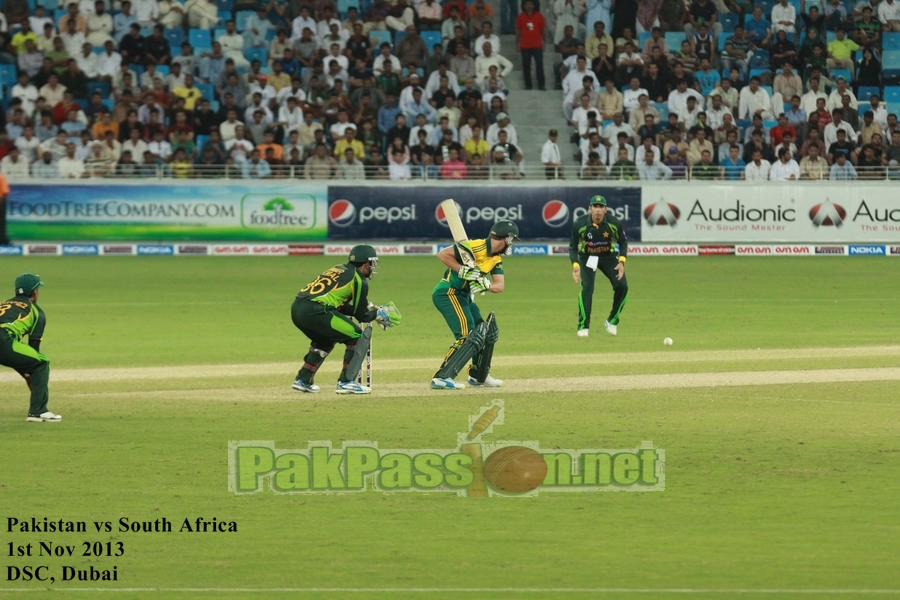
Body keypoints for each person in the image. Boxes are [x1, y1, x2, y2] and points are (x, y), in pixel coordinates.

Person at [291, 245, 399, 395]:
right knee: (357, 336)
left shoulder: (339, 268)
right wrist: (377, 315)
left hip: (298, 308)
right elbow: (360, 315)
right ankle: (346, 382)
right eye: (372, 263)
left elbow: (340, 306)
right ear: (366, 263)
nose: (373, 267)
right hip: (316, 310)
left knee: (325, 339)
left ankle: (303, 379)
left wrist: (372, 311)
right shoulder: (359, 280)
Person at [430, 220, 519, 390]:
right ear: (506, 238)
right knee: (468, 336)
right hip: (448, 292)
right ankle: (442, 376)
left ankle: (478, 375)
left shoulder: (496, 258)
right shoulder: (475, 247)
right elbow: (443, 254)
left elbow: (499, 286)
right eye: (511, 240)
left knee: (484, 333)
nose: (511, 245)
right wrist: (460, 269)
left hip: (465, 296)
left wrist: (486, 285)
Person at [0, 274, 59, 422]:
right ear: (35, 292)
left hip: (5, 341)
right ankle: (38, 411)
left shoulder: (3, 304)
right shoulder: (36, 312)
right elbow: (33, 350)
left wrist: (25, 369)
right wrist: (30, 372)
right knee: (41, 363)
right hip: (2, 338)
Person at [569, 195, 627, 337]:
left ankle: (612, 321)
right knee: (587, 289)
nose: (598, 210)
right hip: (587, 257)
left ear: (605, 209)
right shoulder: (580, 224)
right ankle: (583, 326)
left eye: (601, 207)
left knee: (622, 287)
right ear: (590, 208)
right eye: (595, 207)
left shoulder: (614, 223)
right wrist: (576, 265)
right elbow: (572, 247)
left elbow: (623, 242)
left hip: (608, 257)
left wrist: (621, 261)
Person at [0, 171, 9, 245]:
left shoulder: (1, 177)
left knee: (1, 223)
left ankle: (2, 240)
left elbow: (4, 192)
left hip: (0, 203)